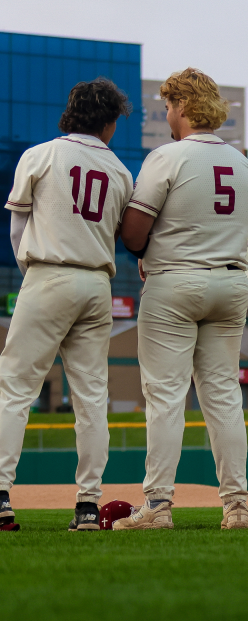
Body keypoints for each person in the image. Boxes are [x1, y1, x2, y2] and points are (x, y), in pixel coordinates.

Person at [114, 68, 248, 530]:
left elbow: (133, 235)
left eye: (168, 106)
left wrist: (155, 249)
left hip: (176, 282)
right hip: (231, 281)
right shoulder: (242, 164)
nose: (167, 114)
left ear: (182, 106)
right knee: (224, 397)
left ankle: (158, 505)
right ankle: (236, 505)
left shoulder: (167, 156)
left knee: (165, 397)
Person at [0, 78, 134, 532]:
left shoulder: (40, 155)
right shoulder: (121, 172)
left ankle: (1, 494)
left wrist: (34, 275)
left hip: (48, 273)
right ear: (109, 121)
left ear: (71, 112)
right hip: (97, 284)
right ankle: (88, 505)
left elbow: (18, 229)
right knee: (92, 398)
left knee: (16, 389)